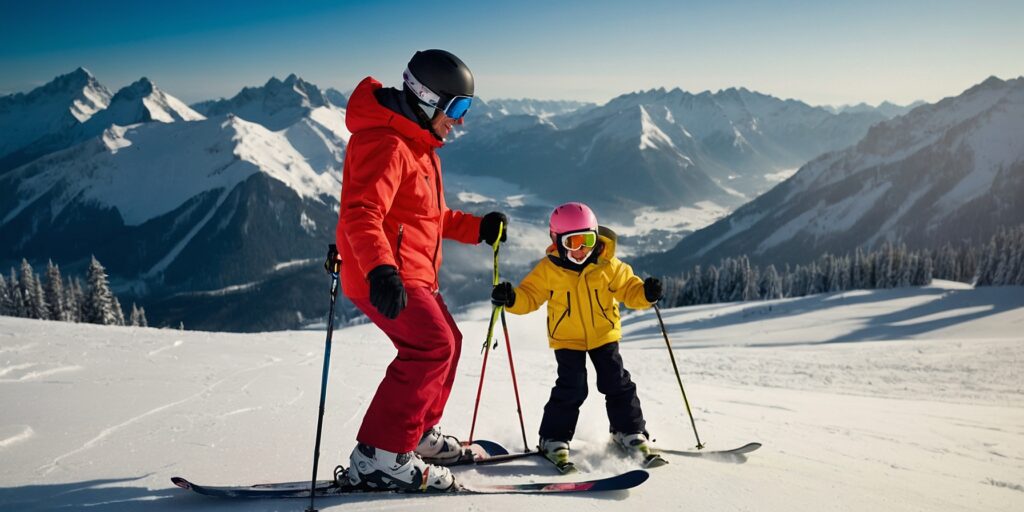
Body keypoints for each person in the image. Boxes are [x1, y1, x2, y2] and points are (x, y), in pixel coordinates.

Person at [335, 49, 508, 492]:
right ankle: (380, 456)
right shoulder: (388, 143)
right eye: (457, 108)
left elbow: (430, 217)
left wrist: (478, 229)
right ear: (427, 100)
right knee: (430, 347)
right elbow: (361, 211)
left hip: (412, 271)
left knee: (449, 341)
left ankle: (416, 435)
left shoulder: (418, 145)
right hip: (388, 273)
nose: (461, 121)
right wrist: (380, 270)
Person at [490, 202, 663, 471]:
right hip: (567, 339)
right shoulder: (549, 270)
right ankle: (553, 439)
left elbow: (630, 290)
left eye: (588, 240)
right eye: (572, 242)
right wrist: (512, 299)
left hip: (603, 335)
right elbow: (530, 296)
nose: (580, 249)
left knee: (616, 381)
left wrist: (646, 294)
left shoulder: (609, 265)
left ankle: (628, 431)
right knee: (572, 386)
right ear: (556, 240)